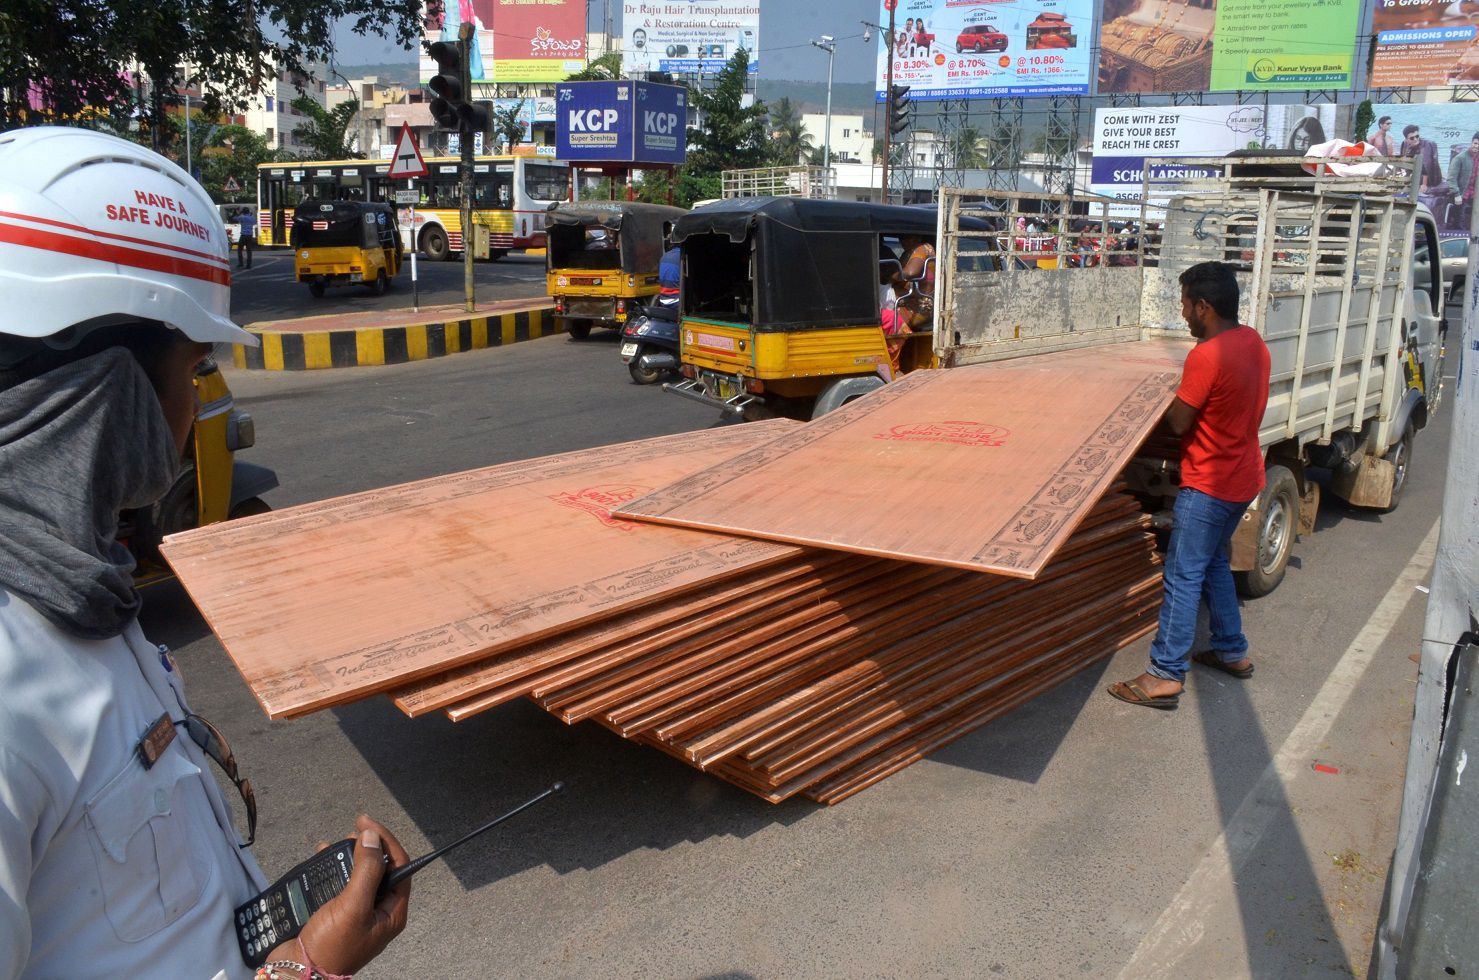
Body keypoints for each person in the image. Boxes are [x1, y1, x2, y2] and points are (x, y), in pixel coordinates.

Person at [0, 127, 411, 977]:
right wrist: (303, 971)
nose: (193, 413)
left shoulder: (76, 590)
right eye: (192, 371)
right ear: (107, 397)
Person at [1107, 261, 1271, 710]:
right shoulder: (1253, 342)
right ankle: (1231, 651)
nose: (1182, 314)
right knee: (1215, 563)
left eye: (1184, 305)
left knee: (1182, 576)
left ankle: (1164, 674)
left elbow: (1180, 423)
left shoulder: (1207, 355)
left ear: (1204, 306)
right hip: (1244, 477)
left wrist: (1147, 399)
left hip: (1209, 484)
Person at [1448, 132, 1479, 232]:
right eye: (1475, 143)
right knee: (1458, 222)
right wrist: (1456, 194)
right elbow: (1451, 178)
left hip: (1475, 194)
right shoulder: (1460, 158)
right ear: (1471, 143)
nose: (1477, 146)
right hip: (1461, 194)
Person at [1403, 123, 1444, 193]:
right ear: (1407, 139)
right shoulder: (1405, 144)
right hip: (1417, 172)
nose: (1415, 139)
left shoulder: (1426, 146)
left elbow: (1427, 165)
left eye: (1417, 136)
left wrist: (1424, 184)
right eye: (1412, 138)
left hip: (1431, 176)